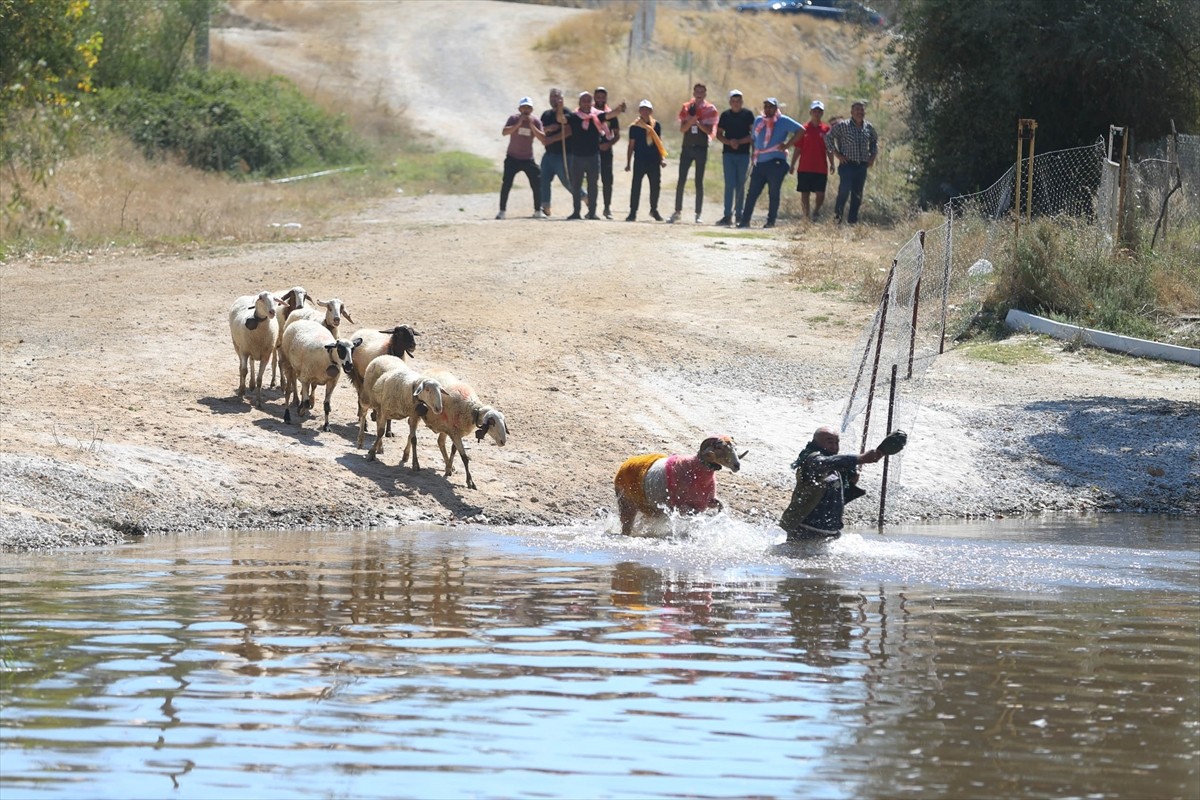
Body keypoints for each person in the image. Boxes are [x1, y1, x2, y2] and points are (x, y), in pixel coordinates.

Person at [778, 426, 894, 542]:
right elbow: (826, 462)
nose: (834, 447)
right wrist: (860, 458)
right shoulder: (811, 460)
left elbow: (837, 496)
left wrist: (851, 482)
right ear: (816, 442)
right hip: (804, 529)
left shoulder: (837, 467)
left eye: (836, 442)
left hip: (830, 531)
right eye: (829, 442)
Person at [737, 97, 802, 229]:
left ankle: (771, 221)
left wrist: (788, 145)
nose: (768, 109)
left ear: (776, 108)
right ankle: (745, 220)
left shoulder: (783, 120)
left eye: (771, 106)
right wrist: (754, 153)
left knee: (773, 192)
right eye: (766, 106)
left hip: (776, 162)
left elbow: (801, 130)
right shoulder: (759, 120)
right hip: (760, 162)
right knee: (752, 193)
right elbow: (754, 138)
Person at [669, 83, 719, 224]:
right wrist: (690, 122)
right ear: (693, 92)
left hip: (701, 147)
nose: (699, 94)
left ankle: (698, 213)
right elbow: (682, 129)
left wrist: (698, 123)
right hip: (687, 146)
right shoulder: (686, 107)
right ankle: (677, 211)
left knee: (698, 181)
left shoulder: (710, 109)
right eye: (697, 91)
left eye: (701, 92)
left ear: (705, 93)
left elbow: (709, 131)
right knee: (681, 179)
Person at [826, 99, 879, 225]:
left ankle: (852, 221)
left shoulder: (868, 127)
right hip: (847, 165)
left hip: (862, 165)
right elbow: (828, 138)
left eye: (861, 110)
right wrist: (837, 154)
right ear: (851, 112)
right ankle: (837, 219)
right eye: (857, 110)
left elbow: (874, 141)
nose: (859, 112)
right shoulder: (843, 126)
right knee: (844, 191)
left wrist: (872, 156)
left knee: (857, 194)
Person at [496, 97, 545, 220]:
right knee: (506, 183)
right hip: (512, 157)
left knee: (536, 183)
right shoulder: (513, 119)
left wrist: (532, 126)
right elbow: (505, 132)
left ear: (532, 109)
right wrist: (518, 123)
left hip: (528, 158)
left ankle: (538, 210)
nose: (526, 110)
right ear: (519, 109)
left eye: (528, 107)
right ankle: (502, 211)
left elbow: (543, 138)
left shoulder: (536, 121)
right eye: (524, 107)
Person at [565, 91, 610, 220]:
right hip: (577, 156)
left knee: (593, 185)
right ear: (579, 103)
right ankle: (576, 212)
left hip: (593, 156)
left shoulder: (598, 116)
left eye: (588, 101)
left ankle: (592, 212)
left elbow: (610, 115)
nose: (586, 103)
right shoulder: (574, 117)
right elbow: (561, 120)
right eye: (583, 101)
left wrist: (619, 109)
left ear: (592, 103)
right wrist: (559, 108)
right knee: (576, 184)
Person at [789, 100, 835, 222]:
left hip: (820, 167)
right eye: (815, 111)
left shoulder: (826, 129)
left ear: (822, 113)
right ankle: (806, 216)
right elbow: (798, 148)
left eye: (819, 111)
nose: (817, 113)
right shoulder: (803, 129)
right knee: (805, 193)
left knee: (820, 194)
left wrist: (832, 163)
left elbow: (829, 149)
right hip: (805, 167)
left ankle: (816, 211)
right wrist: (792, 164)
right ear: (810, 112)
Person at [715, 89, 755, 226]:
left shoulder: (748, 115)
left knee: (740, 185)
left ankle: (739, 215)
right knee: (729, 184)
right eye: (734, 101)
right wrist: (729, 142)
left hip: (743, 154)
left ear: (742, 102)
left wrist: (739, 142)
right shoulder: (725, 115)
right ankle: (727, 215)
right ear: (730, 102)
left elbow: (753, 135)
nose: (736, 103)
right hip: (728, 154)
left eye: (739, 101)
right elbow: (719, 134)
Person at [624, 99, 666, 222]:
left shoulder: (656, 125)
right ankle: (633, 212)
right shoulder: (635, 126)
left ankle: (654, 209)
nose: (645, 112)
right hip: (640, 160)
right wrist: (628, 163)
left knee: (655, 186)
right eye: (642, 109)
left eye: (647, 109)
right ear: (639, 111)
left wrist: (662, 158)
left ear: (651, 111)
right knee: (636, 186)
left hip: (653, 160)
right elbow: (631, 145)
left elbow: (659, 143)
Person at [538, 88, 573, 218]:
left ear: (562, 99)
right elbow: (541, 129)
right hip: (549, 154)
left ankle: (584, 197)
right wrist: (548, 129)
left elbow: (569, 131)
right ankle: (545, 206)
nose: (554, 99)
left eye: (557, 97)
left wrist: (552, 137)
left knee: (567, 180)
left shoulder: (566, 112)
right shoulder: (546, 115)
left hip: (563, 154)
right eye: (552, 97)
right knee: (543, 179)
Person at [592, 87, 622, 219]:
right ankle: (591, 209)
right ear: (594, 98)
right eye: (598, 97)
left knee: (607, 180)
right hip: (592, 151)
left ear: (606, 98)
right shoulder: (589, 113)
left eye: (602, 97)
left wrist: (608, 144)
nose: (600, 99)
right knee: (592, 180)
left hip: (606, 152)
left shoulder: (611, 114)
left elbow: (617, 135)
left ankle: (607, 208)